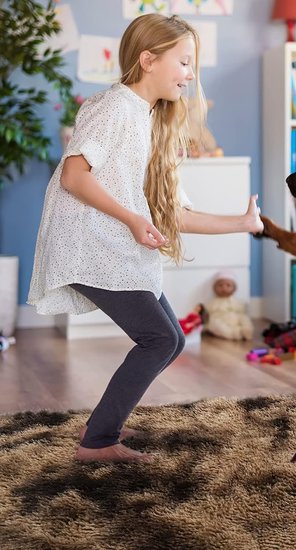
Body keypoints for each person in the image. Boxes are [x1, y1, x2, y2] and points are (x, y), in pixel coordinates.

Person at [27, 14, 263, 463]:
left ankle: (102, 423)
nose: (191, 75)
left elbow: (176, 213)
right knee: (158, 338)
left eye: (194, 65)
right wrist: (133, 219)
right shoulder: (113, 106)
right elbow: (75, 177)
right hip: (87, 244)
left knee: (169, 338)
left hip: (110, 244)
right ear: (148, 60)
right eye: (185, 62)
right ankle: (97, 444)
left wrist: (242, 222)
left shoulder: (150, 120)